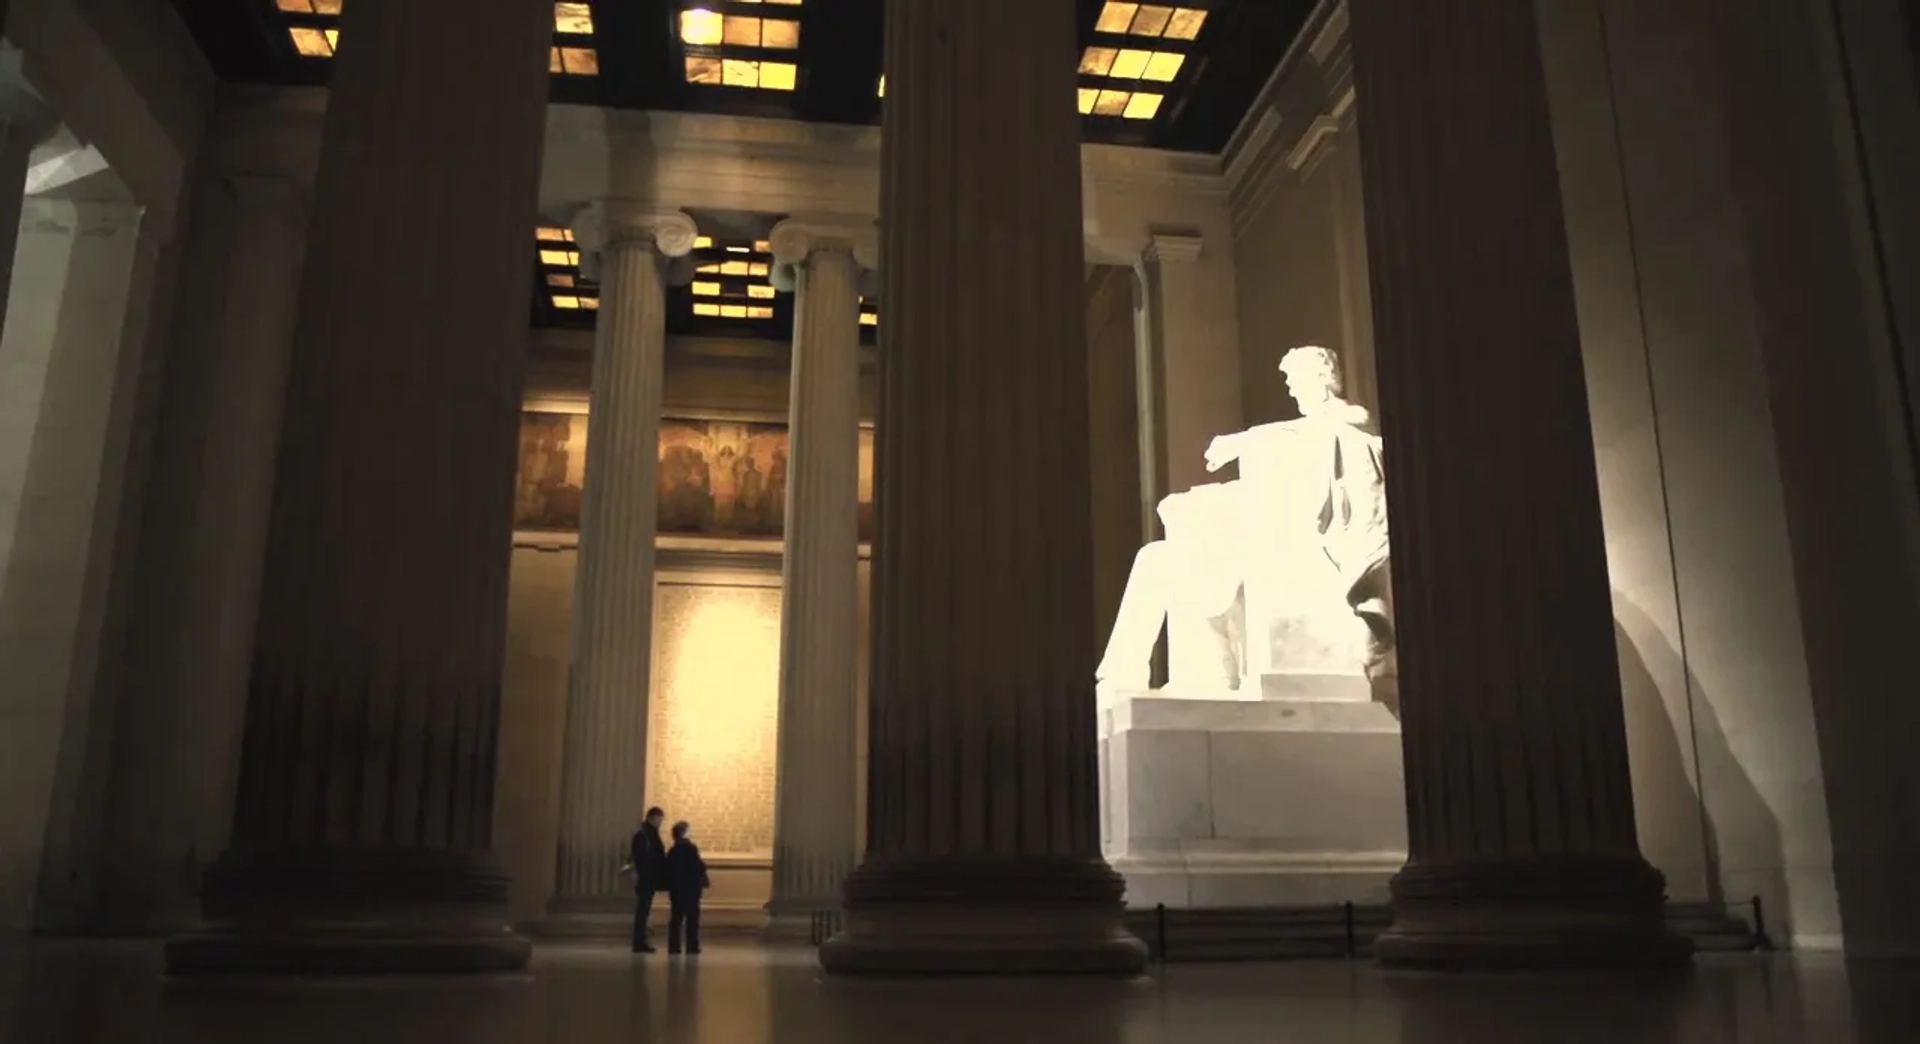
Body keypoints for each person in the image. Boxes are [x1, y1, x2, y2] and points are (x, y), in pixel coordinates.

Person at [663, 820, 711, 955]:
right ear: (685, 833)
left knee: (676, 918)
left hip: (676, 889)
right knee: (692, 918)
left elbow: (668, 869)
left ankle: (674, 946)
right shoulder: (690, 848)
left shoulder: (673, 850)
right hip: (691, 888)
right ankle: (692, 946)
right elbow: (698, 867)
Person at [629, 806, 668, 953]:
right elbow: (643, 858)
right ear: (651, 818)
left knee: (644, 911)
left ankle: (641, 940)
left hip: (649, 878)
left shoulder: (650, 835)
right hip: (646, 878)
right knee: (642, 911)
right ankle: (639, 941)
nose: (660, 822)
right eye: (659, 819)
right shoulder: (644, 836)